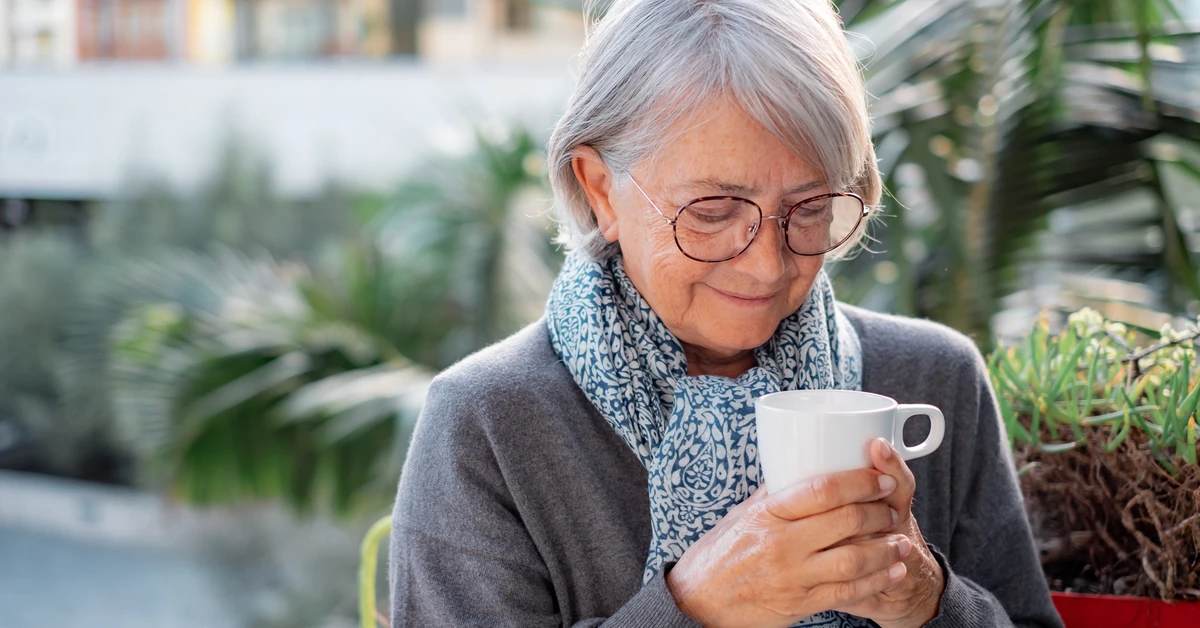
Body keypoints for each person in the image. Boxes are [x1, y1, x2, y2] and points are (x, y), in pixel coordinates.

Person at [390, 1, 1062, 626]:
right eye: (711, 213)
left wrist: (926, 595)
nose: (766, 264)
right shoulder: (489, 424)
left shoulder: (933, 380)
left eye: (810, 209)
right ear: (601, 190)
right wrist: (697, 606)